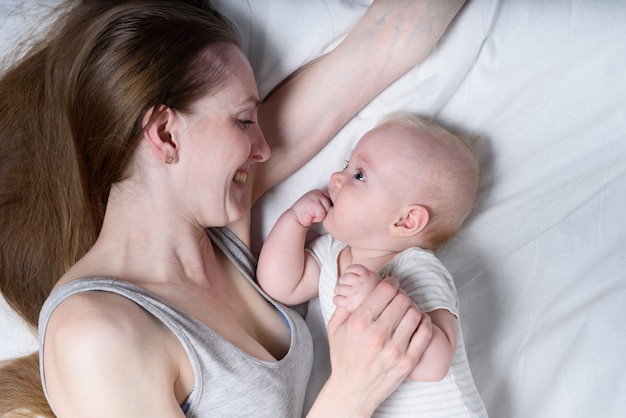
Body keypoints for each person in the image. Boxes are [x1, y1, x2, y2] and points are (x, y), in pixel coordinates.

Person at [0, 0, 467, 416]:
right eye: (244, 120)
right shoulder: (94, 336)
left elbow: (386, 41)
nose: (263, 148)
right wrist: (352, 392)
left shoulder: (223, 231)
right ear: (164, 134)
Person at [258, 113, 487, 417]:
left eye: (360, 175)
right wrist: (294, 221)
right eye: (346, 166)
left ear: (405, 221)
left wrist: (374, 297)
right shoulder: (332, 254)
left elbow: (437, 363)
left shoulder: (417, 270)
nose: (337, 178)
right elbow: (280, 285)